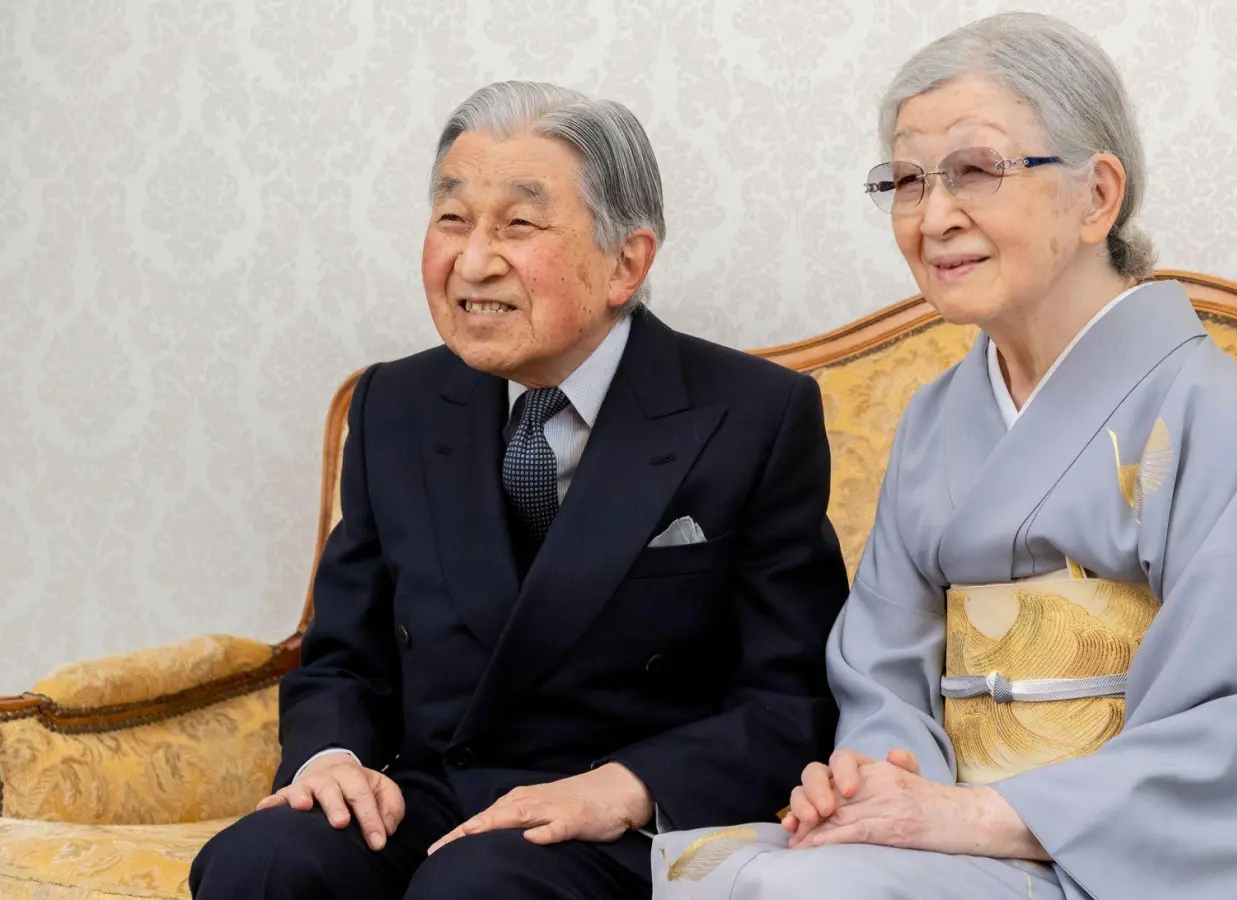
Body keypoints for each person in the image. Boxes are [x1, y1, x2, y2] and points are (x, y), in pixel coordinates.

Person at [652, 12, 1237, 900]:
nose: (934, 215)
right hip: (954, 840)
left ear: (1097, 196)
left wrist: (969, 821)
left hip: (1131, 859)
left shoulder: (1211, 415)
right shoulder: (935, 420)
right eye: (907, 180)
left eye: (975, 171)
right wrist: (880, 780)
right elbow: (880, 665)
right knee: (709, 871)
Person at [189, 81, 849, 900]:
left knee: (479, 888)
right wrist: (335, 761)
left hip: (621, 818)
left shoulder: (752, 415)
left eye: (519, 225)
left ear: (627, 262)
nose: (472, 261)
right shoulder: (394, 403)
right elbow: (342, 658)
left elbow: (791, 699)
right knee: (263, 862)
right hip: (433, 793)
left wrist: (629, 786)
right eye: (452, 219)